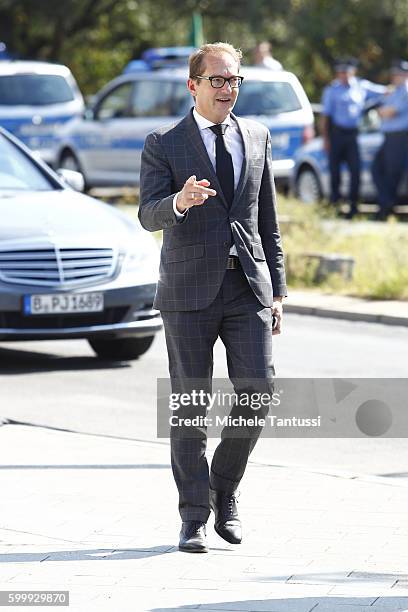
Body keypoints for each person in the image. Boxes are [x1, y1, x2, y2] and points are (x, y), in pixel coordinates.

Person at [139, 42, 287, 553]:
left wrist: (278, 292)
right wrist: (177, 201)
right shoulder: (164, 142)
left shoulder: (258, 136)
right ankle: (194, 516)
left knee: (259, 391)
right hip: (187, 292)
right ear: (193, 85)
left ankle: (224, 489)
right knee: (190, 408)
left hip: (246, 287)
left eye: (234, 81)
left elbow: (265, 219)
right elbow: (147, 214)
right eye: (218, 80)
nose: (228, 89)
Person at [321, 58, 386, 218]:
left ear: (353, 72)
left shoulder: (361, 86)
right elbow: (325, 117)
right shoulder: (331, 90)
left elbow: (384, 92)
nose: (343, 75)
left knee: (355, 171)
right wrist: (325, 139)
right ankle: (335, 205)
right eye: (340, 72)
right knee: (334, 172)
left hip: (353, 134)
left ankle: (353, 206)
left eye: (346, 72)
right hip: (336, 134)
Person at [371, 60, 408, 220]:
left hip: (400, 137)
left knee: (392, 173)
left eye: (397, 74)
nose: (394, 77)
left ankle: (387, 208)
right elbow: (381, 108)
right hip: (389, 137)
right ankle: (386, 204)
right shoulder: (394, 91)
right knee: (377, 169)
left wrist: (382, 111)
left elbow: (390, 112)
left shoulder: (406, 90)